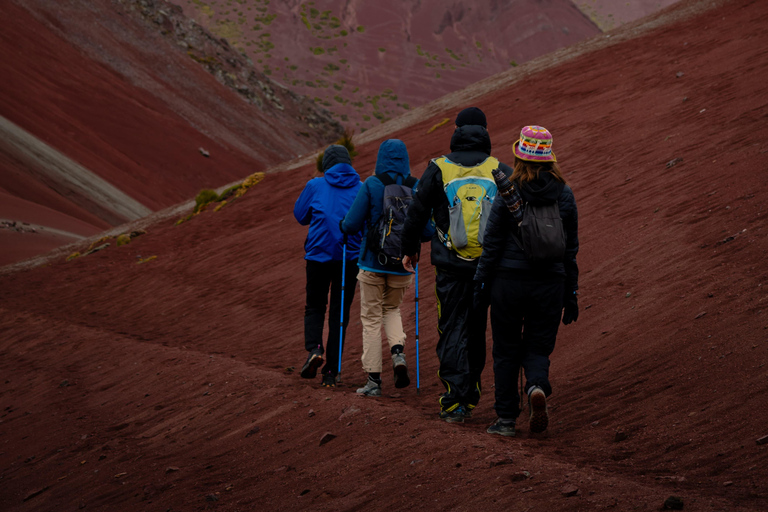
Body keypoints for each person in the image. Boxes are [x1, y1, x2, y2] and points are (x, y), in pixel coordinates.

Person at [400, 107, 514, 423]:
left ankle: (454, 401)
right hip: (487, 268)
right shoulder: (499, 169)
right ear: (486, 131)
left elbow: (415, 213)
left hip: (449, 267)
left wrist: (410, 249)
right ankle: (472, 393)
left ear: (457, 130)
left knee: (451, 329)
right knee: (476, 329)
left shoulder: (439, 168)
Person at [474, 125, 579, 437]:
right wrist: (570, 292)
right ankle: (535, 385)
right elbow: (570, 250)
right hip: (549, 283)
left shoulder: (508, 189)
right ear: (550, 158)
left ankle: (506, 419)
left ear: (519, 155)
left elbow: (491, 243)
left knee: (505, 350)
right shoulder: (565, 193)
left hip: (508, 282)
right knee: (538, 347)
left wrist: (481, 285)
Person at [340, 139, 429, 396]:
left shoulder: (372, 184)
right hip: (404, 265)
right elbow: (428, 230)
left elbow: (351, 224)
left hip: (371, 263)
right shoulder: (416, 185)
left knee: (370, 319)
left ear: (381, 158)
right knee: (392, 309)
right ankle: (398, 354)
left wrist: (342, 227)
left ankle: (373, 381)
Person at [294, 145, 362, 387]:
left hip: (318, 257)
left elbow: (300, 215)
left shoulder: (315, 185)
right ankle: (331, 373)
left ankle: (315, 348)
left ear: (326, 166)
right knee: (339, 315)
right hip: (349, 259)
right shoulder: (361, 187)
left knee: (314, 306)